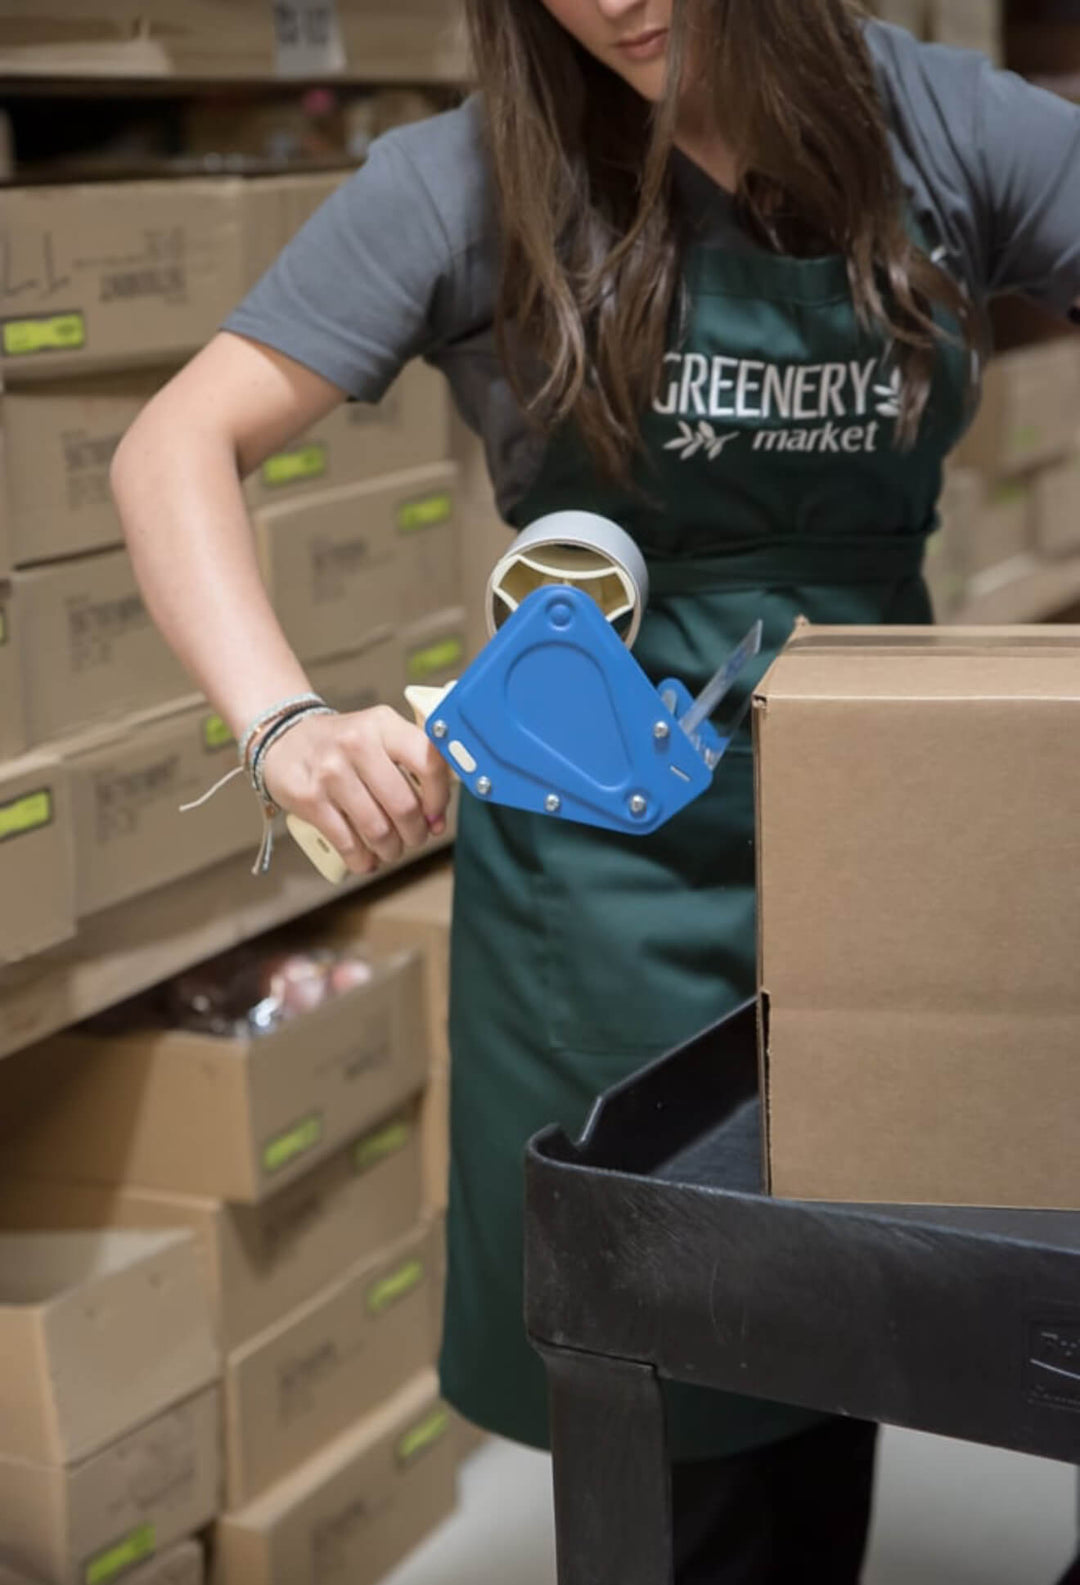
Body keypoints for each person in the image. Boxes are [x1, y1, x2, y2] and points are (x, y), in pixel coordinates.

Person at [111, 3, 1080, 1578]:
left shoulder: (938, 126)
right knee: (668, 1397)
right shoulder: (471, 179)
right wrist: (282, 723)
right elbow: (174, 444)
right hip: (600, 855)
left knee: (846, 1326)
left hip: (880, 833)